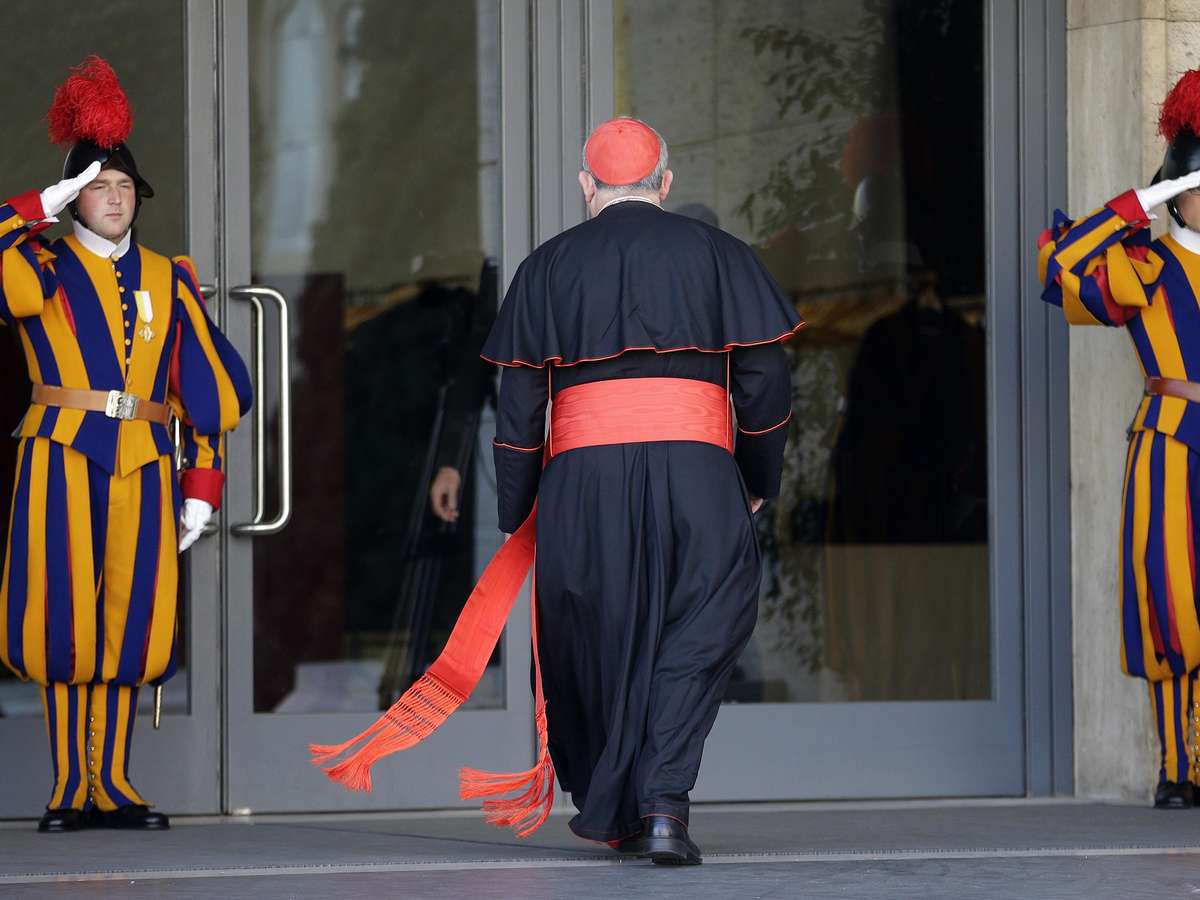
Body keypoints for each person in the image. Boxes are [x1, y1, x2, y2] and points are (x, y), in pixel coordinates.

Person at [311, 117, 800, 865]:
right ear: (666, 183)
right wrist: (757, 478)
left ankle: (626, 809)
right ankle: (663, 804)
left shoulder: (546, 266)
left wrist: (520, 506)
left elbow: (518, 409)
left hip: (583, 482)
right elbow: (765, 383)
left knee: (596, 637)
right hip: (699, 472)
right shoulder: (722, 254)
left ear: (586, 186)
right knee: (703, 625)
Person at [0, 57, 251, 832]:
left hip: (144, 462)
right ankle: (68, 787)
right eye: (95, 187)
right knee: (63, 622)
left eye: (122, 187)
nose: (113, 199)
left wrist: (202, 488)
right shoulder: (37, 262)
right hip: (61, 454)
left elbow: (206, 393)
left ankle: (111, 784)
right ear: (71, 199)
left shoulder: (168, 276)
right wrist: (36, 207)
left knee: (132, 623)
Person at [1037, 67, 1200, 809]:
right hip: (1170, 442)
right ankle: (1179, 768)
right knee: (1174, 606)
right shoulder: (1146, 264)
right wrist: (1146, 200)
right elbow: (1063, 263)